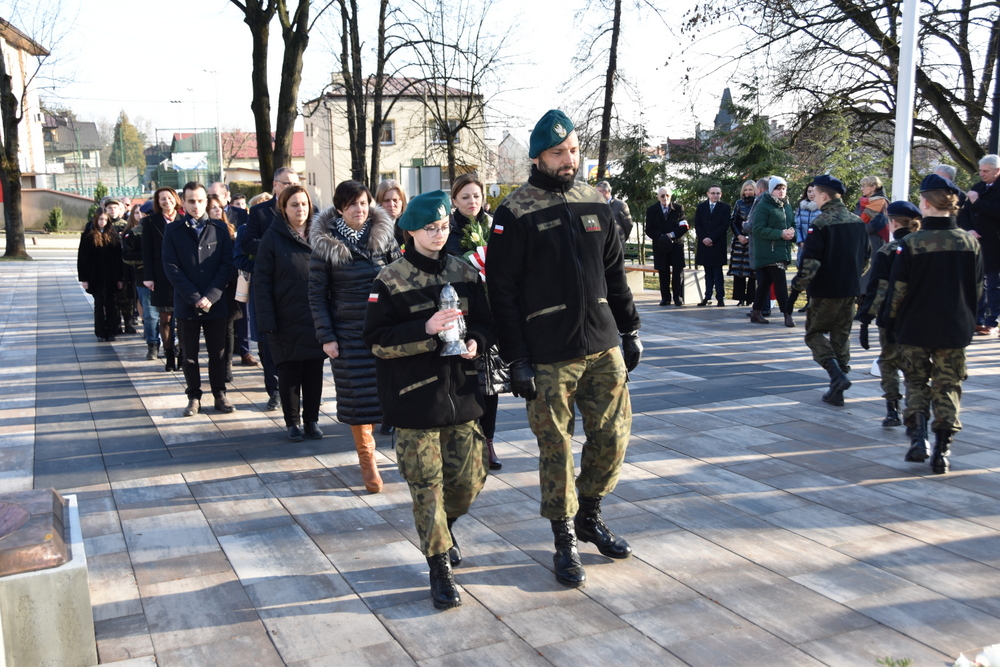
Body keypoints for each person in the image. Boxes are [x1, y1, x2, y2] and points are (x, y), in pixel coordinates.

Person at [486, 110, 642, 588]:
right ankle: (564, 538)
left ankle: (589, 515)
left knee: (614, 437)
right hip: (548, 354)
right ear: (538, 157)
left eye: (573, 149)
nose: (568, 159)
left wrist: (630, 329)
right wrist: (516, 359)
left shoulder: (594, 201)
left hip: (601, 343)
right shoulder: (515, 212)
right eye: (558, 152)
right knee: (556, 449)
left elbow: (614, 271)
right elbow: (502, 292)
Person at [363, 190, 494, 610]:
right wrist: (426, 328)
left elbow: (489, 324)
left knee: (471, 480)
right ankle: (439, 567)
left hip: (461, 395)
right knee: (427, 489)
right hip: (415, 400)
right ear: (410, 231)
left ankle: (445, 527)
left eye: (443, 227)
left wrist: (475, 340)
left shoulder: (465, 272)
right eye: (429, 228)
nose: (439, 234)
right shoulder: (390, 279)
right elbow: (377, 342)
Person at [309, 180, 401, 492]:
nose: (359, 209)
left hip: (384, 330)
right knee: (359, 400)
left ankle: (403, 452)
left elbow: (400, 278)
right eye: (351, 205)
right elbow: (317, 295)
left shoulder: (384, 235)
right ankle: (368, 461)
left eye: (362, 202)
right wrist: (327, 337)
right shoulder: (325, 243)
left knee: (391, 393)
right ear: (339, 209)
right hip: (348, 334)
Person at [887, 174, 982, 474]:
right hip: (954, 326)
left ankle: (919, 439)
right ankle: (942, 449)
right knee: (948, 385)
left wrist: (888, 320)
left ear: (926, 203)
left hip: (915, 324)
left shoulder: (912, 243)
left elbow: (898, 289)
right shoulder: (969, 242)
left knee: (915, 381)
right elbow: (977, 288)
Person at [786, 175, 870, 405]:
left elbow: (811, 263)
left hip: (825, 291)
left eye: (814, 192)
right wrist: (852, 276)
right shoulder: (856, 221)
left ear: (823, 195)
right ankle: (838, 388)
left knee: (814, 334)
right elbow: (866, 257)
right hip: (849, 289)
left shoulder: (821, 223)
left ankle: (836, 376)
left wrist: (795, 290)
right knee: (840, 337)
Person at [254, 185, 327, 441]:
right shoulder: (272, 238)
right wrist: (267, 321)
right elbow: (261, 283)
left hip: (315, 318)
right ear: (283, 208)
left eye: (304, 204)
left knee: (314, 372)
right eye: (294, 205)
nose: (300, 210)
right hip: (283, 320)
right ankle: (292, 423)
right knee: (289, 373)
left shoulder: (319, 236)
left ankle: (312, 420)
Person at [448, 173, 507, 470]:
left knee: (490, 385)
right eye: (465, 197)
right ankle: (464, 442)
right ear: (454, 200)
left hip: (491, 316)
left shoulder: (495, 225)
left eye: (476, 195)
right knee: (464, 383)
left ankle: (489, 443)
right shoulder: (448, 230)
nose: (472, 202)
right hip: (461, 315)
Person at [162, 182, 236, 417]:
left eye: (200, 200)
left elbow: (226, 265)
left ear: (207, 201)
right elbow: (171, 267)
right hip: (187, 303)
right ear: (183, 202)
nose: (196, 205)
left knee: (218, 353)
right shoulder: (173, 231)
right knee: (189, 355)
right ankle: (194, 397)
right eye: (191, 201)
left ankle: (219, 394)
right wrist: (195, 297)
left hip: (215, 303)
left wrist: (211, 296)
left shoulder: (220, 229)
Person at [856, 200, 921, 428]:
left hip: (891, 318)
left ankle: (892, 409)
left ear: (892, 223)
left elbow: (878, 289)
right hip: (917, 317)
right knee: (915, 368)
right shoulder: (923, 247)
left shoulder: (887, 251)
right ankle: (916, 416)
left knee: (889, 363)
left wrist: (866, 319)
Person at [241, 169, 299, 410]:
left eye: (296, 183)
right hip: (268, 286)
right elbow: (247, 242)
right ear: (275, 185)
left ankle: (296, 391)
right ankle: (274, 390)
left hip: (296, 287)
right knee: (268, 342)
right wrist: (275, 249)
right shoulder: (259, 212)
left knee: (297, 340)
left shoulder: (304, 209)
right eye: (287, 183)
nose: (292, 187)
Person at [958, 154, 1000, 336]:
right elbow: (963, 214)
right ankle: (977, 319)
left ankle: (993, 321)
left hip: (995, 245)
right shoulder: (978, 188)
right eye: (981, 170)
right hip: (976, 244)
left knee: (993, 285)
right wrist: (968, 230)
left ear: (997, 171)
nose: (981, 174)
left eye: (986, 171)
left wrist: (977, 201)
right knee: (977, 284)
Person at [142, 187, 183, 371]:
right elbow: (147, 252)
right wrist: (149, 277)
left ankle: (183, 353)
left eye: (169, 198)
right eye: (162, 199)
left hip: (183, 275)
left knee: (183, 319)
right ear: (157, 203)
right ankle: (168, 354)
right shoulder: (150, 222)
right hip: (160, 275)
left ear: (175, 199)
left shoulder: (185, 219)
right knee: (165, 318)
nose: (167, 202)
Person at [207, 195, 244, 384]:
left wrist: (228, 279)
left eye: (219, 207)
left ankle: (227, 365)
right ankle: (216, 364)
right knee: (214, 329)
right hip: (208, 287)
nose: (216, 210)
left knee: (229, 328)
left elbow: (233, 259)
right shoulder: (202, 231)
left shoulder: (229, 230)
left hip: (228, 286)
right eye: (212, 207)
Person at [750, 176, 796, 325]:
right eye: (778, 188)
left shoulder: (787, 206)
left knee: (764, 283)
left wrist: (791, 232)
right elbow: (757, 229)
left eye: (783, 188)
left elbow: (791, 223)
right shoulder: (763, 206)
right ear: (771, 190)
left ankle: (756, 312)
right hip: (768, 251)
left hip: (782, 249)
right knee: (780, 282)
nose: (781, 191)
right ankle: (787, 314)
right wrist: (780, 234)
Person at [122, 205, 161, 359]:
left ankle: (171, 345)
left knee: (169, 315)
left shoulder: (166, 229)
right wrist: (148, 257)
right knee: (151, 314)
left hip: (166, 278)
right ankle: (153, 344)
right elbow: (127, 256)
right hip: (144, 278)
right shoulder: (135, 232)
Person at [78, 211, 124, 342]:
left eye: (104, 219)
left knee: (111, 304)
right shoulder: (88, 236)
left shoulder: (113, 235)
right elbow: (82, 258)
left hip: (111, 276)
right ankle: (100, 332)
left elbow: (118, 258)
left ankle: (111, 331)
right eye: (100, 219)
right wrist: (84, 278)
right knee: (99, 304)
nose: (102, 221)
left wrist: (120, 278)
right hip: (95, 276)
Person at [645, 187, 688, 306]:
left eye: (667, 195)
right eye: (662, 196)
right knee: (663, 271)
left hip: (676, 245)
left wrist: (671, 235)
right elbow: (649, 229)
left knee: (677, 272)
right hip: (660, 245)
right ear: (658, 197)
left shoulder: (679, 208)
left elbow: (683, 225)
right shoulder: (651, 210)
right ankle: (665, 298)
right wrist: (662, 237)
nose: (665, 198)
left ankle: (678, 297)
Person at [693, 184, 731, 306]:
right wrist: (704, 238)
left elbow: (724, 226)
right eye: (713, 193)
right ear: (708, 194)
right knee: (708, 273)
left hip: (717, 244)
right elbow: (698, 224)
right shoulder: (701, 207)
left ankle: (720, 298)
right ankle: (707, 296)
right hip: (704, 245)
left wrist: (711, 238)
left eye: (718, 193)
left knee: (718, 273)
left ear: (721, 195)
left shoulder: (725, 207)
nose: (715, 195)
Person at [856, 175, 890, 294]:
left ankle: (866, 296)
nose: (862, 189)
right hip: (861, 241)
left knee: (870, 272)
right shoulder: (862, 201)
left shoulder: (881, 202)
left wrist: (859, 231)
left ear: (874, 187)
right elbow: (856, 217)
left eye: (864, 186)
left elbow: (877, 223)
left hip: (874, 242)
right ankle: (860, 297)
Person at [793, 184, 822, 312]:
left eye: (813, 191)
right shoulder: (801, 207)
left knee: (817, 275)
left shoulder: (821, 208)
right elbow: (797, 225)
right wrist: (800, 241)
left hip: (816, 247)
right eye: (809, 191)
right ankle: (808, 301)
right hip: (803, 246)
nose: (811, 194)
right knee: (804, 274)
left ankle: (817, 303)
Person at [728, 180, 756, 307]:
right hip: (740, 241)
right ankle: (740, 298)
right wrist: (739, 235)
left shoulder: (759, 203)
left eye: (750, 189)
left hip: (753, 241)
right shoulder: (739, 203)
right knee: (739, 272)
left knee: (752, 272)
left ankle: (751, 298)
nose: (748, 192)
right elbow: (733, 221)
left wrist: (750, 236)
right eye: (746, 189)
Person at [596, 180, 634, 250]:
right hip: (600, 246)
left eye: (599, 191)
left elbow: (628, 225)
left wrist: (621, 238)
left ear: (606, 191)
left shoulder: (620, 205)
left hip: (616, 246)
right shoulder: (596, 205)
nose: (596, 194)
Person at [375, 178, 408, 248]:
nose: (391, 204)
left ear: (402, 202)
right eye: (387, 200)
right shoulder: (371, 228)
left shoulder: (410, 228)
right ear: (379, 202)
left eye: (395, 200)